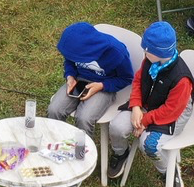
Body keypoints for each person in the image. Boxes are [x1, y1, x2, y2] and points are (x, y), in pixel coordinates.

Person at [49, 21, 137, 174]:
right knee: (54, 109)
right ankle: (57, 148)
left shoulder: (116, 52)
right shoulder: (75, 48)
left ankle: (82, 158)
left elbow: (126, 78)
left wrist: (101, 86)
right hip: (78, 80)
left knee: (84, 117)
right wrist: (70, 76)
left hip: (105, 85)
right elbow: (69, 61)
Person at [130, 22, 194, 187]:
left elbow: (171, 110)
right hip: (153, 103)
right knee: (119, 126)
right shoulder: (150, 60)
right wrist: (136, 106)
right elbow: (138, 81)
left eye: (146, 49)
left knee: (149, 145)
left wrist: (144, 121)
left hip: (174, 115)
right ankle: (121, 155)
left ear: (158, 52)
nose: (144, 52)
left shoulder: (181, 79)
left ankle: (169, 171)